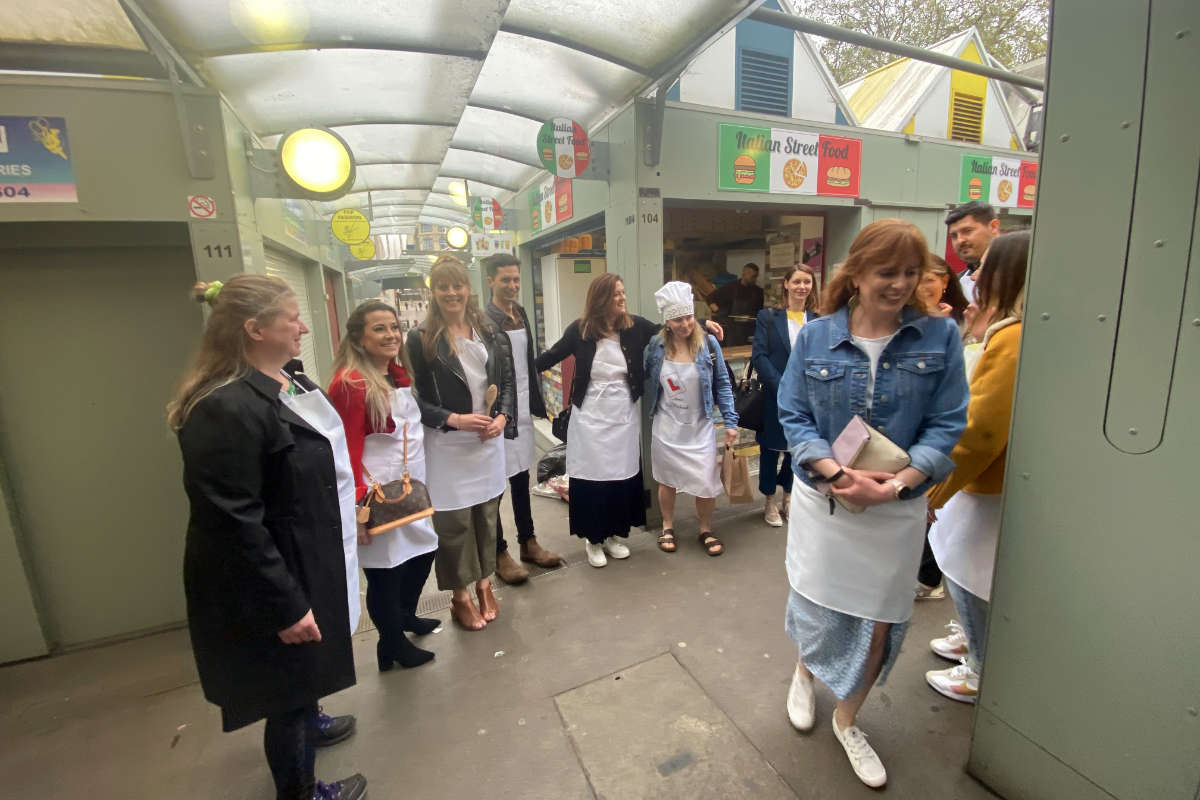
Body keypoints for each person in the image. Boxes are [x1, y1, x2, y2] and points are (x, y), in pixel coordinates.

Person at [776, 219, 968, 788]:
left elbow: (947, 422)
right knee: (817, 602)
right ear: (856, 272)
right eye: (888, 271)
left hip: (896, 506)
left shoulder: (940, 337)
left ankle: (847, 717)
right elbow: (794, 414)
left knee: (881, 618)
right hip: (827, 502)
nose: (901, 284)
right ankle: (804, 673)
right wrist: (835, 473)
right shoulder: (814, 338)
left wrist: (895, 484)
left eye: (912, 272)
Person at [168, 275, 366, 800]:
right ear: (254, 329)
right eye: (291, 318)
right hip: (275, 578)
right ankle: (300, 792)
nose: (302, 327)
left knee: (303, 681)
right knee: (287, 695)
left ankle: (311, 717)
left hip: (302, 557)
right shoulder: (225, 407)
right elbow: (233, 523)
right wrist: (285, 606)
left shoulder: (275, 384)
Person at [535, 274, 723, 567]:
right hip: (589, 417)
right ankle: (593, 539)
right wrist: (519, 375)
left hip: (622, 413)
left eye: (623, 293)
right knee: (591, 479)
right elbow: (549, 357)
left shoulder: (634, 326)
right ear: (600, 299)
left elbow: (670, 328)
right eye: (615, 295)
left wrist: (702, 325)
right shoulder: (580, 330)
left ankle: (612, 536)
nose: (622, 298)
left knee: (619, 478)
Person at [923, 231, 1029, 704]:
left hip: (981, 484)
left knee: (965, 569)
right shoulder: (1007, 328)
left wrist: (933, 492)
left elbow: (980, 430)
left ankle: (979, 670)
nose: (977, 274)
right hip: (987, 482)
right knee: (966, 568)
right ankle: (972, 640)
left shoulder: (1011, 336)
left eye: (987, 265)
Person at [328, 300, 440, 671]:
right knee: (385, 572)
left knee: (422, 552)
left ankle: (404, 618)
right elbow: (345, 447)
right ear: (358, 338)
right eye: (379, 328)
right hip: (375, 491)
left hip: (409, 485)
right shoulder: (350, 384)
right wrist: (358, 508)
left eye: (394, 327)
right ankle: (390, 643)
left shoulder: (396, 374)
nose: (391, 334)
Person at [407, 255, 515, 631]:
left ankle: (485, 584)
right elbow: (413, 399)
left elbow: (507, 384)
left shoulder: (488, 330)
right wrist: (453, 419)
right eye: (443, 286)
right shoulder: (421, 339)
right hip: (447, 447)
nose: (452, 292)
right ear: (433, 292)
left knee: (487, 518)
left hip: (486, 444)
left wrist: (501, 417)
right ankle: (460, 596)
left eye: (458, 285)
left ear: (470, 289)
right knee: (453, 525)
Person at [483, 253, 563, 585]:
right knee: (494, 485)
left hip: (523, 407)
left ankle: (528, 542)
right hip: (499, 412)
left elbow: (527, 360)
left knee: (520, 478)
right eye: (506, 280)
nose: (513, 285)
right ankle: (499, 552)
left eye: (516, 279)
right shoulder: (483, 319)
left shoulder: (520, 312)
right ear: (490, 281)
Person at [644, 281, 739, 556]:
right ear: (667, 322)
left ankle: (705, 529)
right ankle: (668, 526)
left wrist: (731, 422)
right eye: (677, 319)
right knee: (667, 480)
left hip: (700, 427)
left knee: (706, 481)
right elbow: (646, 377)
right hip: (667, 426)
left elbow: (722, 382)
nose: (685, 324)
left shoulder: (707, 343)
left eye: (688, 317)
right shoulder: (656, 345)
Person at [751, 264, 821, 528]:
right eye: (797, 282)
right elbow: (759, 356)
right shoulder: (769, 318)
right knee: (770, 450)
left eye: (807, 282)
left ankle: (788, 497)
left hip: (808, 399)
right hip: (775, 395)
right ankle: (769, 500)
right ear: (787, 284)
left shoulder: (817, 320)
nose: (802, 287)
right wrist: (784, 386)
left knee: (797, 450)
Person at [945, 201, 1000, 304]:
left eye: (967, 231)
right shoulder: (956, 283)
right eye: (954, 236)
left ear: (993, 227)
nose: (960, 240)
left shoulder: (1025, 271)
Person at [917, 255, 971, 325]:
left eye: (929, 280)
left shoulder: (967, 320)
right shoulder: (900, 320)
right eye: (915, 282)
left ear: (944, 281)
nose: (920, 288)